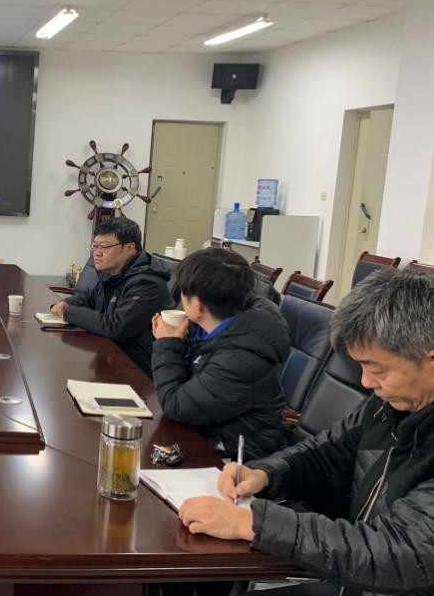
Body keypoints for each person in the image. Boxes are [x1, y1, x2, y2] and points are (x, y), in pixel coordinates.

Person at [177, 268, 434, 596]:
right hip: (354, 575)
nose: (366, 382)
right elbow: (329, 451)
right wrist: (265, 474)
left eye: (377, 369)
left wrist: (253, 522)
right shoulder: (391, 405)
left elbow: (405, 552)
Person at [151, 247, 289, 461]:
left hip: (236, 459)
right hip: (203, 434)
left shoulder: (242, 357)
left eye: (183, 294)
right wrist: (177, 341)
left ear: (197, 306)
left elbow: (176, 406)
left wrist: (167, 344)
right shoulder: (216, 324)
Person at [50, 217, 174, 377]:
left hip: (138, 371)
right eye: (95, 246)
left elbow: (116, 326)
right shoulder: (114, 273)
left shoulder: (148, 283)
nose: (97, 253)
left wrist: (68, 312)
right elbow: (89, 298)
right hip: (111, 357)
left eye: (104, 247)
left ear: (129, 248)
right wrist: (65, 303)